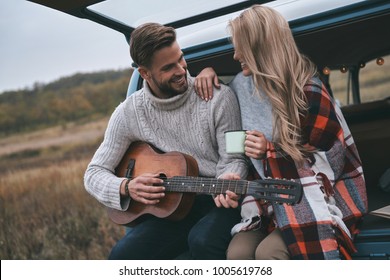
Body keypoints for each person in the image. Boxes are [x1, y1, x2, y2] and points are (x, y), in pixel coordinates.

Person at [194, 5, 367, 260]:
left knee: (269, 253)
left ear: (260, 47)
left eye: (240, 46)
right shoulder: (238, 89)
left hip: (315, 195)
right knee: (237, 254)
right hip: (266, 200)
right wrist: (208, 73)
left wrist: (270, 151)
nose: (235, 55)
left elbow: (330, 164)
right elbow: (234, 147)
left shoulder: (309, 91)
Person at [84, 22, 247, 260]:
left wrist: (228, 179)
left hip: (218, 200)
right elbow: (94, 173)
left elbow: (235, 156)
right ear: (145, 73)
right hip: (171, 209)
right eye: (169, 67)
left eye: (181, 59)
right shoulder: (129, 113)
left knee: (202, 241)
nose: (181, 70)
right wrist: (126, 187)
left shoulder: (220, 97)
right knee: (121, 257)